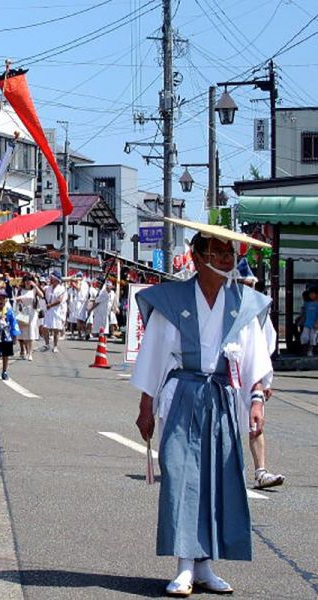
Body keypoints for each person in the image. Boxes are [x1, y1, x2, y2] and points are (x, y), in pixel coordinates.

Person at [132, 223, 273, 597]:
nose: (227, 259)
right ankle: (183, 565)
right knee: (179, 475)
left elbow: (256, 358)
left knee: (219, 478)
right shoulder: (172, 300)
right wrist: (146, 405)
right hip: (182, 395)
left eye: (231, 253)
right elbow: (154, 354)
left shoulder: (244, 303)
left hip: (223, 396)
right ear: (198, 256)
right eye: (219, 252)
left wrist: (256, 399)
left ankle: (207, 565)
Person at [236, 259, 285, 490]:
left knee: (255, 424)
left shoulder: (259, 308)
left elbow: (266, 345)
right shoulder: (220, 305)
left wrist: (266, 380)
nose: (247, 288)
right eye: (242, 283)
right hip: (224, 375)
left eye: (249, 284)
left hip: (251, 375)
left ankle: (260, 471)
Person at [0, 290, 20, 380]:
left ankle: (4, 371)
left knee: (5, 354)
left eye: (3, 298)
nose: (1, 300)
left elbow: (13, 323)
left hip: (7, 335)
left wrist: (14, 335)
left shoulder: (9, 311)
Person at [15, 274, 43, 361]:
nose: (27, 282)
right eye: (26, 280)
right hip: (23, 311)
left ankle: (30, 353)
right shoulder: (20, 290)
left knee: (31, 331)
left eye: (29, 280)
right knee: (23, 332)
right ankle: (24, 350)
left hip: (32, 312)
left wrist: (35, 285)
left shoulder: (34, 290)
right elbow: (16, 301)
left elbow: (42, 295)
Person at [41, 271, 67, 353]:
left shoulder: (61, 288)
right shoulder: (48, 288)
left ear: (56, 279)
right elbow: (41, 292)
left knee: (56, 329)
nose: (50, 279)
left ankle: (55, 346)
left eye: (52, 278)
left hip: (57, 311)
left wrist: (51, 305)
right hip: (48, 311)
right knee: (45, 328)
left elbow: (60, 300)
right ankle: (47, 344)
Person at [299, 285, 318, 356]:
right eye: (310, 294)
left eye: (313, 294)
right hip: (307, 324)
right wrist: (301, 320)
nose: (311, 295)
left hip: (314, 324)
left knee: (313, 338)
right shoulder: (307, 303)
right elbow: (304, 313)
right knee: (304, 337)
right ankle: (305, 350)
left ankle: (310, 350)